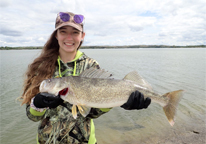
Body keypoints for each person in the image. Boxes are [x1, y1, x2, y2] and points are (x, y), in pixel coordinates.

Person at [20, 12, 151, 144]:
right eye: (63, 31)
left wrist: (120, 101)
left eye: (75, 33)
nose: (69, 37)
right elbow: (32, 117)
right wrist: (37, 104)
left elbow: (92, 113)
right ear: (56, 35)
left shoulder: (91, 65)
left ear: (82, 36)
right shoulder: (40, 66)